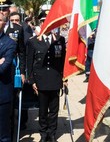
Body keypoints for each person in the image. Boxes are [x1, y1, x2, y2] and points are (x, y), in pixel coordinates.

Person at [27, 10, 66, 142]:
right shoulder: (33, 41)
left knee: (54, 110)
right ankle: (43, 134)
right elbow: (30, 63)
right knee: (42, 111)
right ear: (41, 23)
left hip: (55, 80)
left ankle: (52, 133)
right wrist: (32, 81)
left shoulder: (60, 40)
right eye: (44, 21)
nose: (46, 24)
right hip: (41, 81)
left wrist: (65, 78)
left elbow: (63, 62)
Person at [0, 13, 17, 141]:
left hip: (2, 97)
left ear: (5, 23)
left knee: (4, 135)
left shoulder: (9, 43)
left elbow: (3, 68)